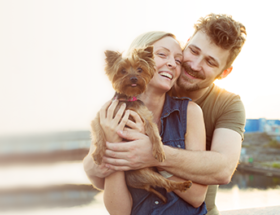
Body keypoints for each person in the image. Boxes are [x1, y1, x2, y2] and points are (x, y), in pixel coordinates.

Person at [91, 14, 247, 215]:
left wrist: (152, 154)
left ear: (224, 73)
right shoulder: (134, 96)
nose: (194, 65)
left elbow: (223, 169)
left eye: (210, 62)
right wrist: (108, 150)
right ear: (187, 44)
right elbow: (95, 171)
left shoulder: (217, 107)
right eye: (193, 51)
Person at [83, 31, 208, 215]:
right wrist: (113, 142)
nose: (172, 63)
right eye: (162, 54)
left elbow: (197, 196)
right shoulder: (110, 116)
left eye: (178, 60)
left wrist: (152, 156)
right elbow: (119, 212)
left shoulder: (190, 113)